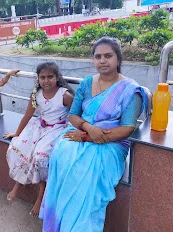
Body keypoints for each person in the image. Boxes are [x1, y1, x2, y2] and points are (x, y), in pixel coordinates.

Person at [39, 37, 148, 232]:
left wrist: (90, 137)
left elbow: (128, 128)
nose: (102, 61)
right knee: (62, 153)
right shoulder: (87, 83)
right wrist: (88, 130)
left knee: (84, 172)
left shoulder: (131, 90)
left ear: (118, 58)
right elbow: (73, 114)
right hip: (81, 132)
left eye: (108, 56)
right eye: (98, 57)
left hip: (111, 142)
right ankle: (61, 220)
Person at [4, 62, 74, 218]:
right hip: (39, 126)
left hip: (57, 129)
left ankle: (41, 195)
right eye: (42, 77)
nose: (46, 80)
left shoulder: (65, 95)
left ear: (57, 78)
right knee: (18, 147)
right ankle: (18, 183)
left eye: (50, 77)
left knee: (40, 156)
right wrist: (17, 133)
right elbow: (28, 115)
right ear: (38, 78)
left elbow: (77, 114)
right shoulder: (36, 94)